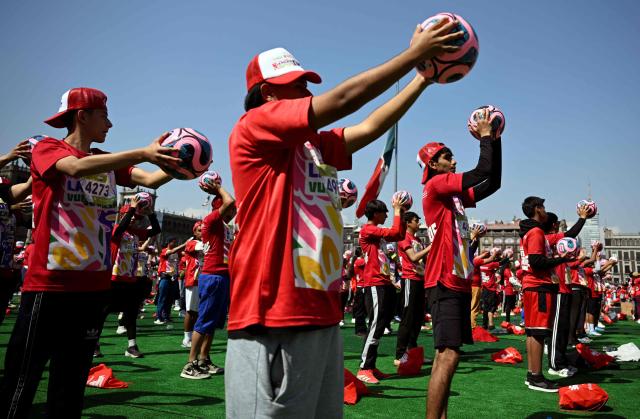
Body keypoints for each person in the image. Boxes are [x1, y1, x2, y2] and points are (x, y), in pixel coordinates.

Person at [226, 19, 465, 417]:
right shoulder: (253, 126)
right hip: (272, 316)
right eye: (296, 85)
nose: (307, 90)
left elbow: (370, 126)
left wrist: (423, 79)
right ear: (267, 94)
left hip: (320, 311)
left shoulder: (313, 145)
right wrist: (413, 55)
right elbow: (341, 101)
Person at [0, 87, 180, 417]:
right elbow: (74, 168)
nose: (110, 124)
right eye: (104, 116)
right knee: (21, 383)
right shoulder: (48, 149)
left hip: (93, 290)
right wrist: (143, 151)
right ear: (82, 115)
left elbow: (151, 180)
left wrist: (182, 163)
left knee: (70, 389)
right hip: (48, 287)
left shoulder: (107, 160)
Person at [418, 108, 502, 418]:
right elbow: (481, 171)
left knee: (449, 355)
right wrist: (484, 137)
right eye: (447, 157)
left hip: (457, 279)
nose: (453, 161)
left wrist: (496, 139)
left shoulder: (453, 196)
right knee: (447, 355)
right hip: (443, 279)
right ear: (432, 164)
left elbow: (492, 183)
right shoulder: (437, 186)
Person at [181, 185, 235, 379]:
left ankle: (204, 359)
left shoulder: (226, 227)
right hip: (212, 276)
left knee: (213, 321)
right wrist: (218, 188)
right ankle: (190, 364)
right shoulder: (212, 219)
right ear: (221, 207)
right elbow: (229, 200)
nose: (234, 210)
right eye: (230, 209)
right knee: (204, 320)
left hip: (222, 275)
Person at [103, 194, 161, 358]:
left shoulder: (135, 234)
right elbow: (120, 228)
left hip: (131, 279)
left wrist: (150, 213)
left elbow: (156, 230)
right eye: (132, 216)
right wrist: (132, 209)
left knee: (131, 312)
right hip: (114, 278)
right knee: (104, 311)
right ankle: (95, 344)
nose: (135, 220)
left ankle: (132, 346)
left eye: (136, 217)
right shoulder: (116, 230)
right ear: (124, 216)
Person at [357, 198, 406, 383]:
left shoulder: (377, 233)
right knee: (376, 325)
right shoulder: (368, 229)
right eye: (385, 212)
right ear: (375, 214)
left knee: (380, 325)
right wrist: (396, 210)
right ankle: (363, 368)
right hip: (374, 283)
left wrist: (399, 213)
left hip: (384, 282)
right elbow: (394, 231)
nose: (387, 215)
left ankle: (371, 366)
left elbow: (398, 235)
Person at [395, 211, 431, 365]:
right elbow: (414, 257)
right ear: (408, 222)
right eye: (416, 220)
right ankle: (400, 354)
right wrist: (430, 247)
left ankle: (413, 352)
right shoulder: (404, 237)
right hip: (409, 279)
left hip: (420, 280)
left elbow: (423, 260)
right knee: (408, 318)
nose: (419, 222)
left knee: (417, 319)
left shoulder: (417, 239)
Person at [181, 221, 204, 348]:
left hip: (204, 279)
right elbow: (202, 247)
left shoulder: (202, 242)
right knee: (191, 311)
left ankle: (194, 337)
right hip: (193, 280)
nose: (202, 232)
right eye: (200, 230)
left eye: (204, 230)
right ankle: (187, 338)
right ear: (194, 232)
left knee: (199, 311)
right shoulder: (191, 243)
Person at [155, 237, 187, 325]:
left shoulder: (177, 253)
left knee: (169, 299)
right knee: (162, 298)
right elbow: (171, 252)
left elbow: (185, 254)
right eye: (173, 242)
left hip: (173, 278)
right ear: (169, 243)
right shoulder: (164, 251)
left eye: (175, 242)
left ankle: (166, 316)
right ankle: (158, 317)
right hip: (165, 277)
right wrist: (184, 244)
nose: (175, 244)